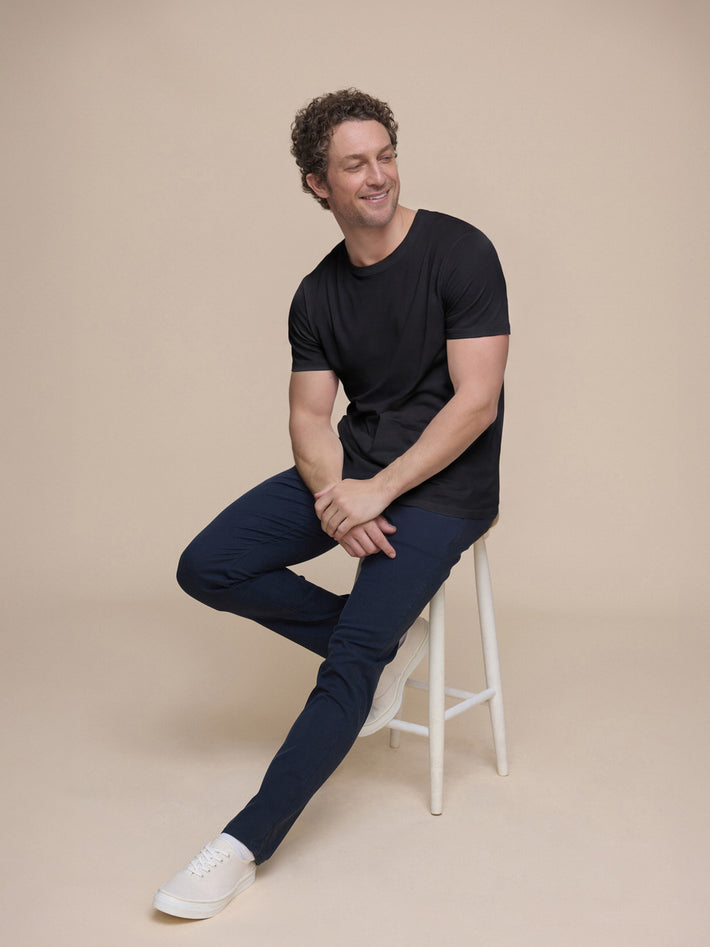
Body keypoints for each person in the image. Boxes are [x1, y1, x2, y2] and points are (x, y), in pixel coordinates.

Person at [153, 88, 510, 920]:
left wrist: (375, 493)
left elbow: (476, 402)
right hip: (356, 470)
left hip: (447, 486)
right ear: (319, 184)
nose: (378, 175)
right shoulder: (316, 294)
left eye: (385, 154)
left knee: (350, 659)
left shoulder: (462, 252)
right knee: (208, 563)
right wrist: (330, 494)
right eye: (355, 164)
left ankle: (240, 846)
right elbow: (309, 417)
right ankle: (379, 644)